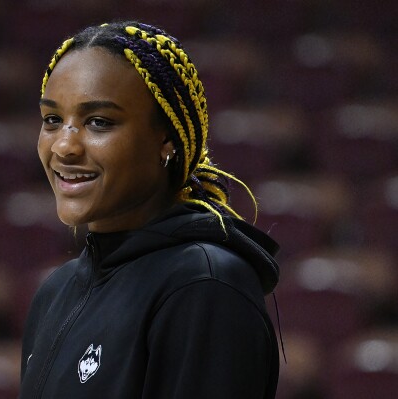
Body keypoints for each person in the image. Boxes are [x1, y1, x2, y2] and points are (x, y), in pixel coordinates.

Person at [19, 21, 280, 399]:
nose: (64, 147)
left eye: (99, 122)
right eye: (52, 120)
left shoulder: (204, 286)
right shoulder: (54, 292)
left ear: (167, 140)